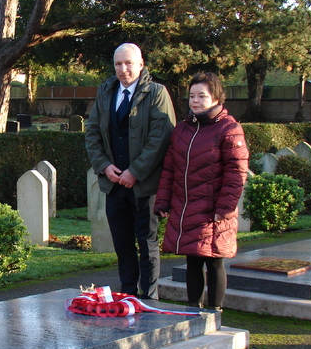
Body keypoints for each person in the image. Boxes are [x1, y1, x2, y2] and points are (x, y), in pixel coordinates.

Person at [85, 43, 175, 300]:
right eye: (118, 64)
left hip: (144, 185)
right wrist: (104, 166)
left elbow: (161, 137)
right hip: (114, 184)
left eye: (128, 63)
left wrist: (135, 171)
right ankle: (127, 297)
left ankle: (148, 299)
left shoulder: (156, 93)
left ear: (141, 64)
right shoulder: (105, 92)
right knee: (123, 245)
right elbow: (92, 134)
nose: (123, 69)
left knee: (147, 244)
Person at [154, 71, 248, 311]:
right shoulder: (183, 129)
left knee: (214, 261)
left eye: (202, 96)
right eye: (192, 96)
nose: (195, 101)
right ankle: (193, 311)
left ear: (216, 98)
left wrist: (225, 207)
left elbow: (236, 173)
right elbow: (170, 168)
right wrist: (163, 201)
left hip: (213, 210)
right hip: (186, 208)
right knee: (192, 261)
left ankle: (214, 311)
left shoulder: (229, 129)